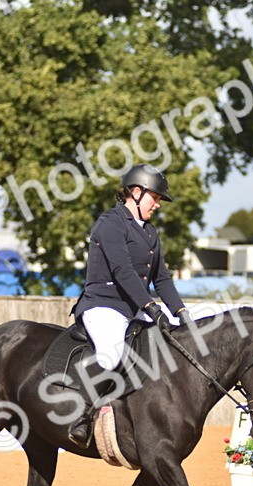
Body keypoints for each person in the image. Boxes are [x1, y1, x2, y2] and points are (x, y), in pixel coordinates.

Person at [67, 163, 193, 446]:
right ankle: (82, 416)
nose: (158, 205)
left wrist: (181, 313)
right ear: (136, 192)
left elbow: (162, 278)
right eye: (155, 197)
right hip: (104, 305)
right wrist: (151, 308)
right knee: (111, 356)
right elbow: (122, 271)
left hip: (134, 308)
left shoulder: (150, 232)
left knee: (166, 352)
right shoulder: (110, 223)